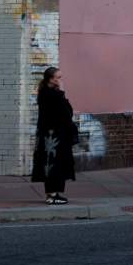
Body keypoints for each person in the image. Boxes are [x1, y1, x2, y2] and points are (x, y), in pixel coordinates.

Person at [31, 66, 77, 204]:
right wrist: (62, 92)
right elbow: (62, 111)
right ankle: (52, 195)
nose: (61, 80)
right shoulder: (48, 94)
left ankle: (52, 194)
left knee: (55, 163)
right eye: (58, 77)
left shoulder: (52, 93)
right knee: (52, 163)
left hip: (56, 135)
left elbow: (68, 112)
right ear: (51, 79)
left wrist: (61, 94)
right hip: (52, 136)